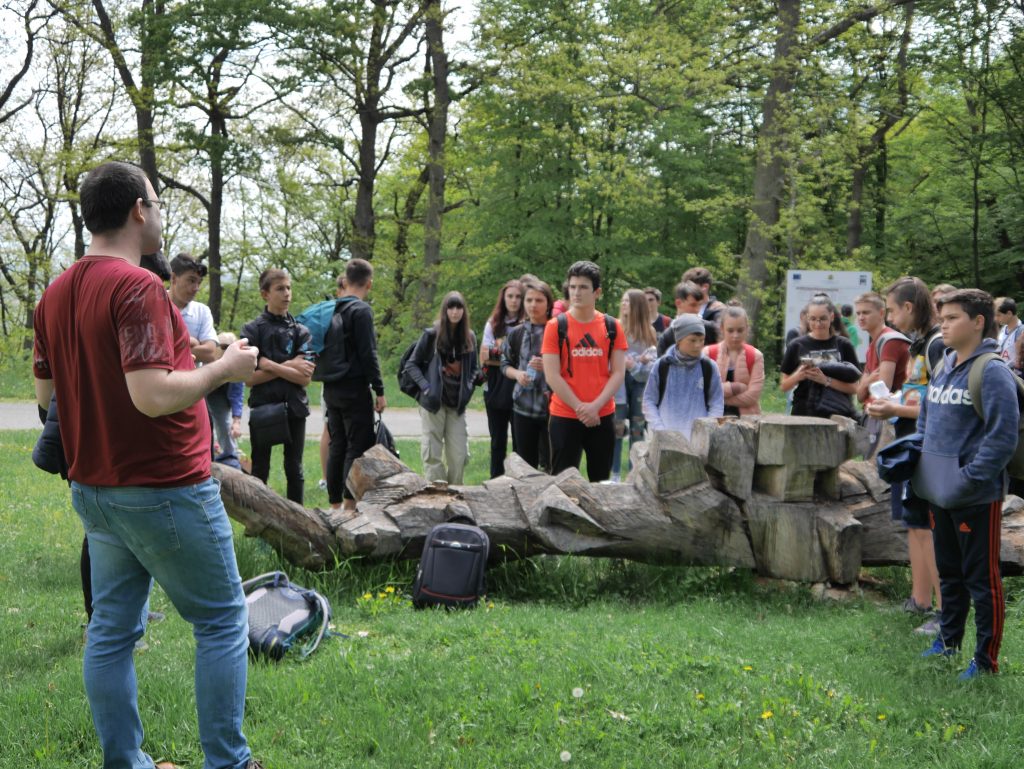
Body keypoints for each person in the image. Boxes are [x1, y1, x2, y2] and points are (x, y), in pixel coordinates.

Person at [32, 160, 261, 769]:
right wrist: (225, 368)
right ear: (139, 209)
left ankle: (125, 761)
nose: (159, 215)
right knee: (221, 620)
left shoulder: (55, 293)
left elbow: (46, 399)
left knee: (111, 630)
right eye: (156, 204)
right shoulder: (137, 286)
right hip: (164, 485)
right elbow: (153, 394)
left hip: (94, 488)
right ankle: (229, 762)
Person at [912, 288, 1017, 680]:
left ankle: (985, 662)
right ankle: (948, 641)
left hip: (975, 496)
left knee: (981, 580)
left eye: (953, 318)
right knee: (950, 573)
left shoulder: (992, 371)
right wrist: (919, 457)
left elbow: (1002, 437)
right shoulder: (943, 363)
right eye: (942, 317)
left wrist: (969, 479)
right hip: (938, 490)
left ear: (977, 322)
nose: (943, 324)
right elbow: (927, 418)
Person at [865, 277, 944, 634]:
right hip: (910, 443)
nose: (891, 318)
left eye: (893, 310)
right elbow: (918, 392)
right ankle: (919, 599)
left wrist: (896, 409)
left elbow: (942, 405)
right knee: (915, 524)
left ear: (909, 307)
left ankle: (944, 610)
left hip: (928, 446)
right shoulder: (919, 343)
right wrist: (894, 401)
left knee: (931, 529)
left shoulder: (937, 345)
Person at [542, 261, 626, 481]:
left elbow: (618, 372)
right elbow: (552, 375)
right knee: (563, 483)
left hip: (602, 414)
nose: (576, 292)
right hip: (565, 414)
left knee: (601, 481)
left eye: (583, 287)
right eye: (573, 287)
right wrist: (581, 408)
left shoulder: (612, 326)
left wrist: (595, 407)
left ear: (597, 292)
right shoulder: (555, 326)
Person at [242, 268, 313, 504]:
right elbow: (249, 379)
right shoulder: (252, 330)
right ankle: (257, 517)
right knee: (260, 468)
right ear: (265, 294)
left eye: (289, 288)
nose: (287, 293)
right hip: (263, 406)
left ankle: (299, 518)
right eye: (280, 288)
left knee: (294, 468)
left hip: (295, 407)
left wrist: (269, 365)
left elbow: (305, 378)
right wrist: (290, 366)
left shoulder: (301, 332)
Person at [320, 259, 386, 511]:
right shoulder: (361, 311)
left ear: (346, 281)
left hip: (331, 387)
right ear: (369, 284)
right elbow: (368, 354)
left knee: (337, 445)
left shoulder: (332, 309)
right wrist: (379, 390)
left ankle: (334, 506)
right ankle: (350, 507)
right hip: (354, 388)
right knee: (356, 447)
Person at [404, 291, 479, 484]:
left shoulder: (470, 337)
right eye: (451, 307)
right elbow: (411, 365)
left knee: (459, 455)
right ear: (445, 310)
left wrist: (469, 386)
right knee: (432, 453)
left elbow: (474, 369)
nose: (455, 312)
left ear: (464, 311)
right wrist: (426, 387)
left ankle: (456, 493)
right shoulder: (431, 335)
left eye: (459, 307)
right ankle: (437, 494)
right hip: (433, 403)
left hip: (457, 404)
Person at [643, 314, 724, 439]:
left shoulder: (709, 367)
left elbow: (716, 402)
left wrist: (707, 430)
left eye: (701, 340)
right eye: (692, 340)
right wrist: (659, 429)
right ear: (679, 340)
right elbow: (649, 400)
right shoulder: (662, 366)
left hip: (699, 439)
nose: (698, 345)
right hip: (665, 438)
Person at [502, 280, 554, 472]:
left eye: (539, 300)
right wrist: (518, 374)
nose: (533, 305)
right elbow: (504, 364)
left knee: (553, 466)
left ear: (548, 303)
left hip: (553, 410)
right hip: (522, 408)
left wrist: (547, 367)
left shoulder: (558, 331)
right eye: (529, 300)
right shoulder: (516, 333)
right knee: (526, 467)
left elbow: (570, 368)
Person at [779, 296, 860, 418]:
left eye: (823, 318)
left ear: (831, 317)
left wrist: (826, 381)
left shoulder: (844, 344)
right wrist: (799, 375)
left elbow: (855, 388)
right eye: (813, 319)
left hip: (837, 413)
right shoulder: (796, 345)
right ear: (807, 318)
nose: (818, 324)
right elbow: (784, 386)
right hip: (804, 413)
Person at [611, 289, 658, 481]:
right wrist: (635, 361)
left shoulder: (649, 331)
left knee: (637, 430)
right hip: (618, 386)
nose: (623, 304)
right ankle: (614, 474)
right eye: (622, 301)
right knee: (616, 428)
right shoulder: (615, 327)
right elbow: (609, 360)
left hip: (640, 386)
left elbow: (651, 365)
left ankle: (634, 474)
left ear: (637, 306)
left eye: (628, 302)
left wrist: (634, 364)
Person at [480, 280, 525, 478]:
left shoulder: (527, 323)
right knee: (497, 442)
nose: (514, 301)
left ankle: (519, 481)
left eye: (518, 297)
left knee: (520, 443)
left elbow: (526, 357)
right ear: (503, 298)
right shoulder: (494, 323)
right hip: (496, 388)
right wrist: (509, 354)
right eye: (510, 296)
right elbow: (484, 355)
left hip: (519, 389)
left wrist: (499, 349)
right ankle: (495, 481)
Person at [854, 291, 911, 415]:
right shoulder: (873, 344)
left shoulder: (890, 341)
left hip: (889, 416)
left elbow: (882, 392)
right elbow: (859, 396)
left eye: (866, 312)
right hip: (873, 414)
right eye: (858, 313)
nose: (861, 317)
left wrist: (865, 383)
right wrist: (867, 382)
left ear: (881, 313)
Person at [705, 303, 764, 416]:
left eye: (740, 330)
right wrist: (736, 388)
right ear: (722, 329)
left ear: (747, 329)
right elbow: (704, 391)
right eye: (730, 330)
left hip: (747, 420)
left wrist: (721, 399)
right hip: (712, 419)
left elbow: (752, 396)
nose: (735, 335)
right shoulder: (708, 354)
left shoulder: (755, 356)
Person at [168, 253, 220, 364]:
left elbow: (210, 353)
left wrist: (166, 348)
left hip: (191, 375)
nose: (196, 288)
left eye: (199, 282)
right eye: (191, 280)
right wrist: (191, 342)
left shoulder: (202, 311)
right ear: (173, 278)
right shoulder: (153, 303)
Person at [207, 331, 245, 468]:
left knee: (225, 424)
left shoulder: (238, 366)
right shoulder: (207, 361)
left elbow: (236, 395)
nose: (226, 350)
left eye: (230, 347)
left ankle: (229, 457)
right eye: (223, 346)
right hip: (205, 393)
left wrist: (236, 422)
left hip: (222, 397)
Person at [657, 280, 719, 355]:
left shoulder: (711, 329)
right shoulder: (667, 335)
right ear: (678, 303)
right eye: (693, 305)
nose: (697, 310)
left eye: (699, 305)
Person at [995, 297, 1022, 374]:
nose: (996, 318)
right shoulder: (1003, 329)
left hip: (1015, 375)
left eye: (998, 315)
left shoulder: (1021, 332)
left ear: (1009, 314)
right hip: (1002, 372)